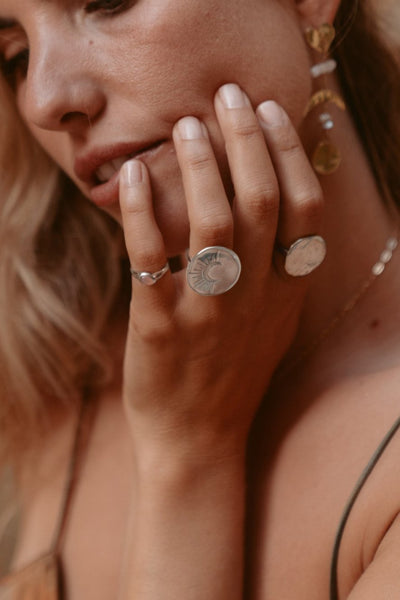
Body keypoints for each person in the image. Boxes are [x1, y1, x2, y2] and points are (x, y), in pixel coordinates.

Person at [0, 0, 399, 598]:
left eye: (108, 2)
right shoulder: (57, 364)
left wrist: (186, 456)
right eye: (16, 56)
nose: (43, 98)